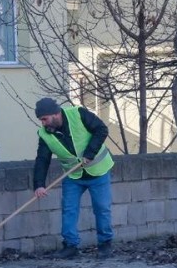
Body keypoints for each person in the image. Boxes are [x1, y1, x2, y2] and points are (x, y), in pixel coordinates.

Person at [33, 97, 116, 259]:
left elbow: (101, 129)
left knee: (102, 208)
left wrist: (89, 153)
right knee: (69, 210)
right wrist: (39, 185)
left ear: (56, 114)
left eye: (44, 119)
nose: (43, 123)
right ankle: (70, 245)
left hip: (98, 170)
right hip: (73, 175)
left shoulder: (78, 113)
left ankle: (105, 244)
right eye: (41, 120)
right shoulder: (45, 134)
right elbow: (42, 159)